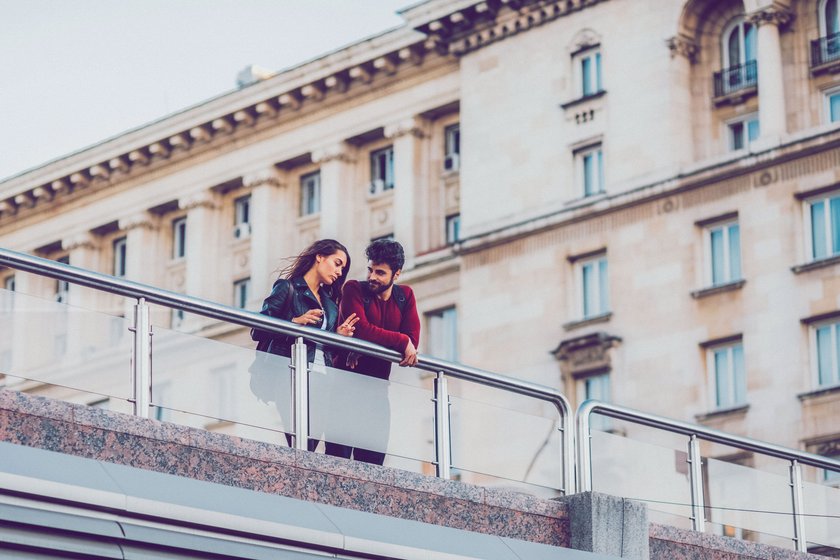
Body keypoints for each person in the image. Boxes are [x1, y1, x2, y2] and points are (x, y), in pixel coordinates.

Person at [251, 239, 359, 451]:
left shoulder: (329, 304)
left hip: (323, 378)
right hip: (291, 374)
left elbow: (323, 347)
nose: (339, 272)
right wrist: (294, 323)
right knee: (299, 438)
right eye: (337, 263)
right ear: (319, 256)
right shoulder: (287, 288)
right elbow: (258, 329)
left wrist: (338, 336)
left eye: (343, 268)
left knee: (310, 443)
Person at [335, 238, 421, 465]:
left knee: (373, 465)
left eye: (380, 273)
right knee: (338, 462)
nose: (372, 277)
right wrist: (399, 340)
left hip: (377, 392)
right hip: (343, 387)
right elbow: (361, 329)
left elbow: (413, 342)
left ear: (397, 274)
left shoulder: (405, 296)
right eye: (370, 270)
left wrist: (369, 345)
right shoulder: (354, 289)